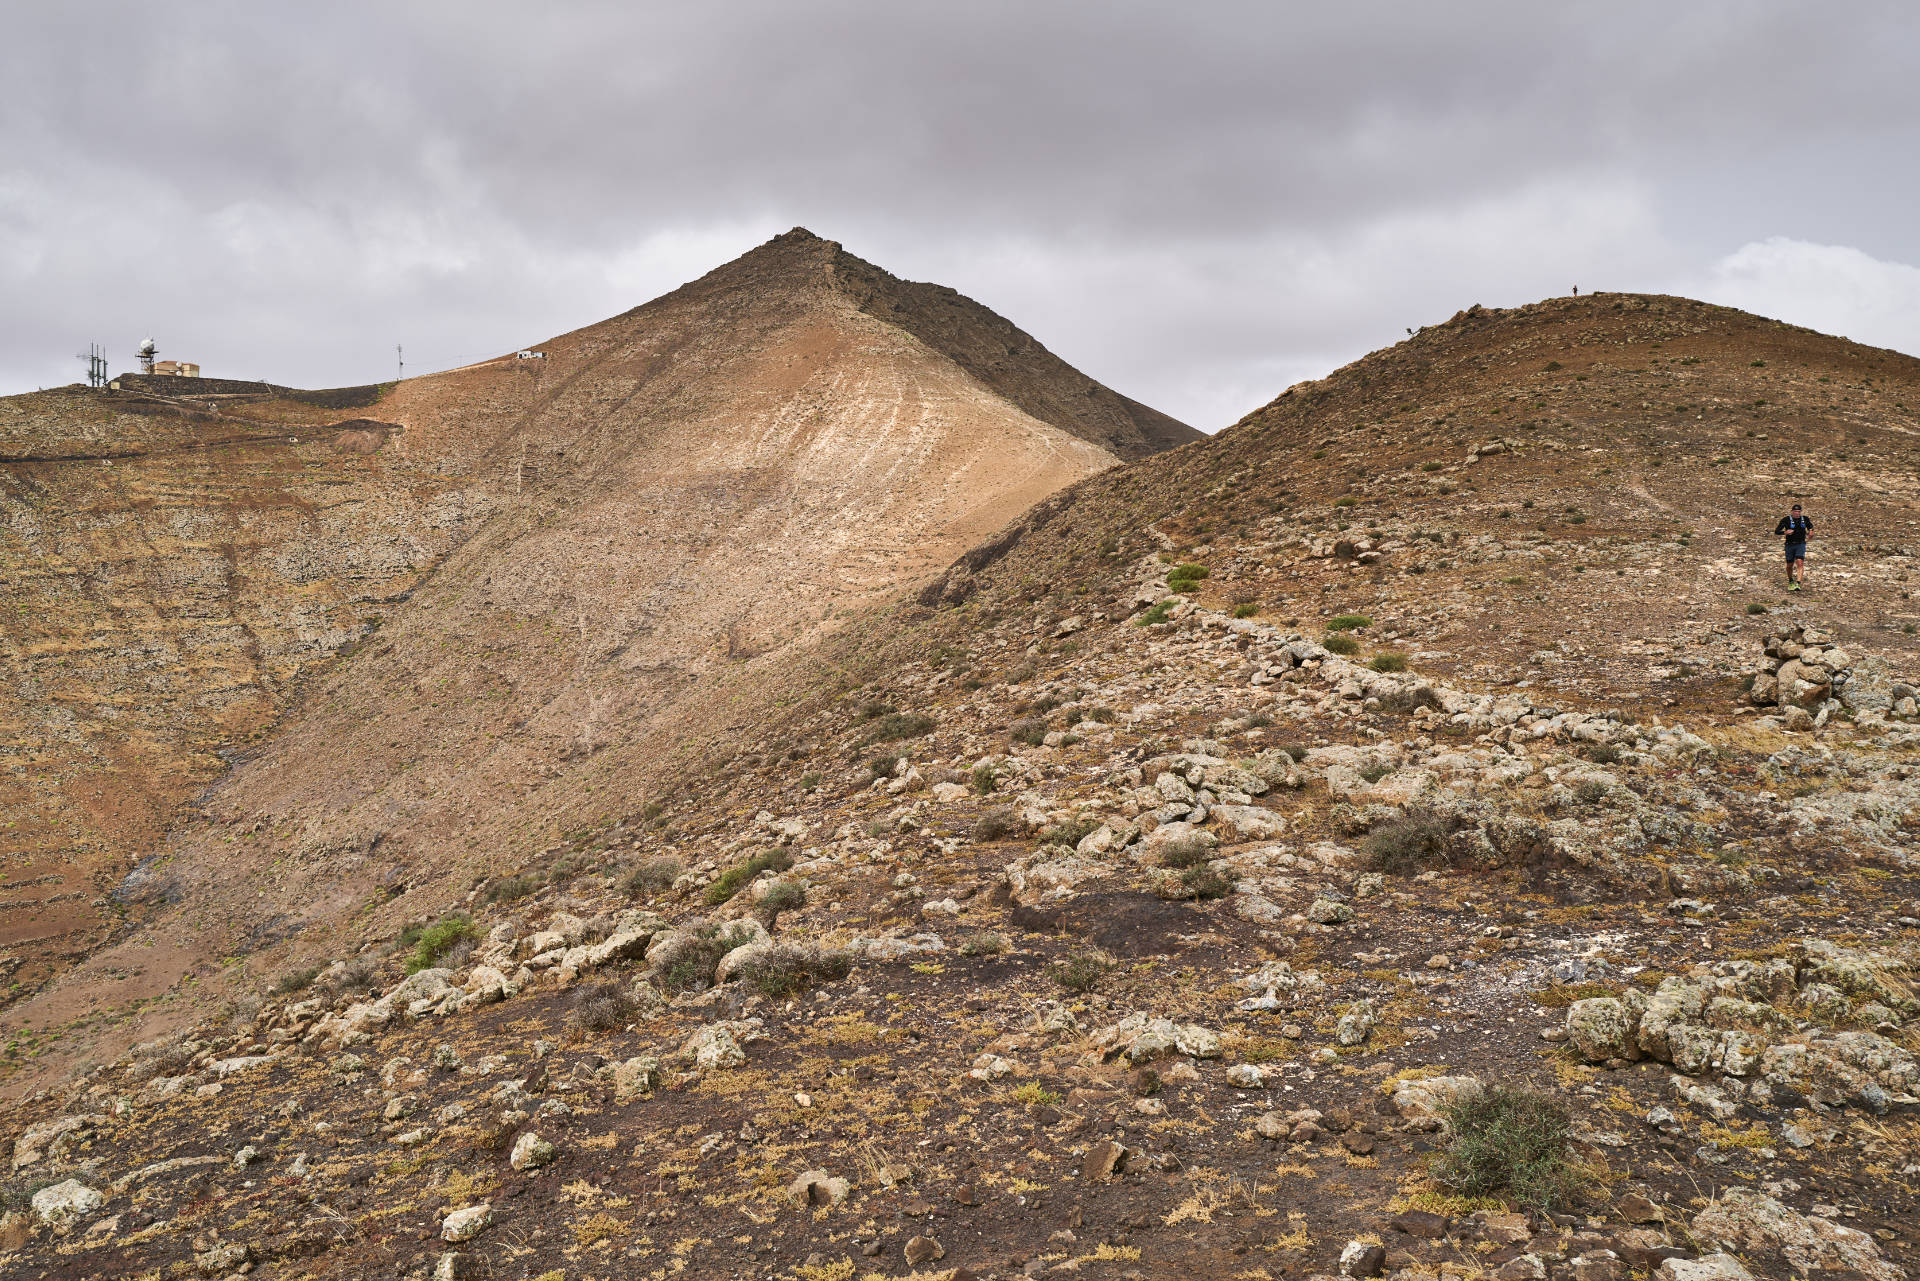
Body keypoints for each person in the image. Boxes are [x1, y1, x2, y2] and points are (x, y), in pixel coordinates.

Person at [1774, 503, 1813, 591]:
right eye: (1795, 511)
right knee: (1789, 565)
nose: (1797, 513)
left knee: (1800, 562)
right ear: (1792, 512)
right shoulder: (1786, 520)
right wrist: (1785, 532)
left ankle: (1798, 583)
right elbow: (1776, 531)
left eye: (1799, 511)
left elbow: (1810, 526)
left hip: (1800, 544)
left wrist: (1811, 531)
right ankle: (1791, 580)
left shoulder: (1805, 519)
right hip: (1789, 545)